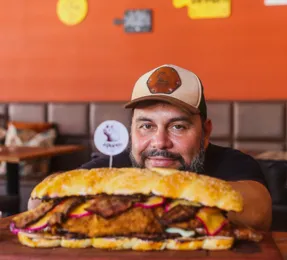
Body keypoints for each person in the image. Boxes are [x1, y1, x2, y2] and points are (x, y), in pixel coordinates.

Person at [28, 64, 272, 231]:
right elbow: (37, 202)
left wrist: (141, 194)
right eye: (146, 126)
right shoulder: (113, 167)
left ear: (205, 132)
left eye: (178, 127)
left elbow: (258, 211)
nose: (160, 142)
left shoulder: (232, 163)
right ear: (131, 129)